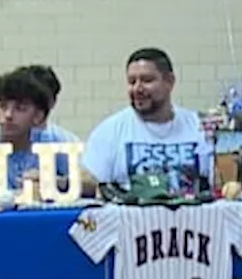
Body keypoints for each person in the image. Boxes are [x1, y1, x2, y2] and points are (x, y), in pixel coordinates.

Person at [81, 48, 212, 196]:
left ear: (170, 81)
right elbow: (91, 183)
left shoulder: (199, 127)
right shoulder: (109, 132)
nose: (138, 88)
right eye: (132, 82)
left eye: (147, 80)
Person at [0, 68, 76, 196]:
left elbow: (91, 182)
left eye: (20, 109)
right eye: (3, 107)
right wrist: (18, 195)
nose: (8, 115)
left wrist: (56, 182)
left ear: (38, 117)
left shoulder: (54, 139)